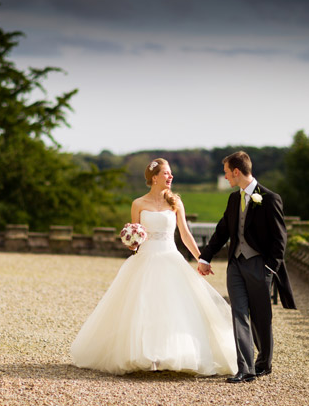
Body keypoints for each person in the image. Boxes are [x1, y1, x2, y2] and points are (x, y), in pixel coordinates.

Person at [71, 158, 237, 376]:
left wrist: (201, 258)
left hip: (171, 258)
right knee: (144, 306)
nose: (171, 177)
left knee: (174, 307)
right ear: (155, 177)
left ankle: (172, 354)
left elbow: (185, 234)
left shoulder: (175, 202)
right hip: (146, 260)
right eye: (166, 173)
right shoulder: (138, 204)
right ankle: (147, 355)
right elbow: (136, 239)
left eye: (170, 173)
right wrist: (131, 240)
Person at [198, 151, 296, 383]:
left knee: (261, 318)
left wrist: (269, 269)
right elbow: (223, 230)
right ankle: (245, 368)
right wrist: (205, 257)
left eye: (226, 173)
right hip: (236, 266)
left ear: (236, 171)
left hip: (260, 267)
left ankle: (263, 362)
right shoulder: (234, 199)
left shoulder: (270, 198)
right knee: (238, 313)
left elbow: (280, 240)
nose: (225, 178)